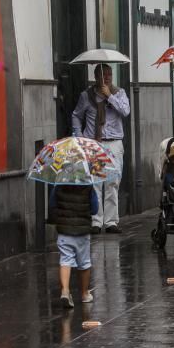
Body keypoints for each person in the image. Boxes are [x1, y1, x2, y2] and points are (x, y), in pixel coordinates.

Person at [71, 64, 131, 234]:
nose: (107, 77)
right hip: (94, 143)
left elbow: (125, 111)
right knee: (95, 182)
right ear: (96, 76)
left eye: (110, 74)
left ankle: (111, 222)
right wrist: (79, 135)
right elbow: (76, 115)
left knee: (113, 182)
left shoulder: (119, 93)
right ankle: (96, 222)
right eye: (103, 74)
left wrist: (109, 96)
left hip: (114, 143)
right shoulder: (86, 96)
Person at [49, 184, 99, 308]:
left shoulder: (58, 186)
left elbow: (52, 205)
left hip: (64, 230)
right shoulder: (88, 186)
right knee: (84, 263)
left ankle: (65, 291)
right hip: (82, 232)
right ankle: (84, 294)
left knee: (65, 260)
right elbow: (95, 209)